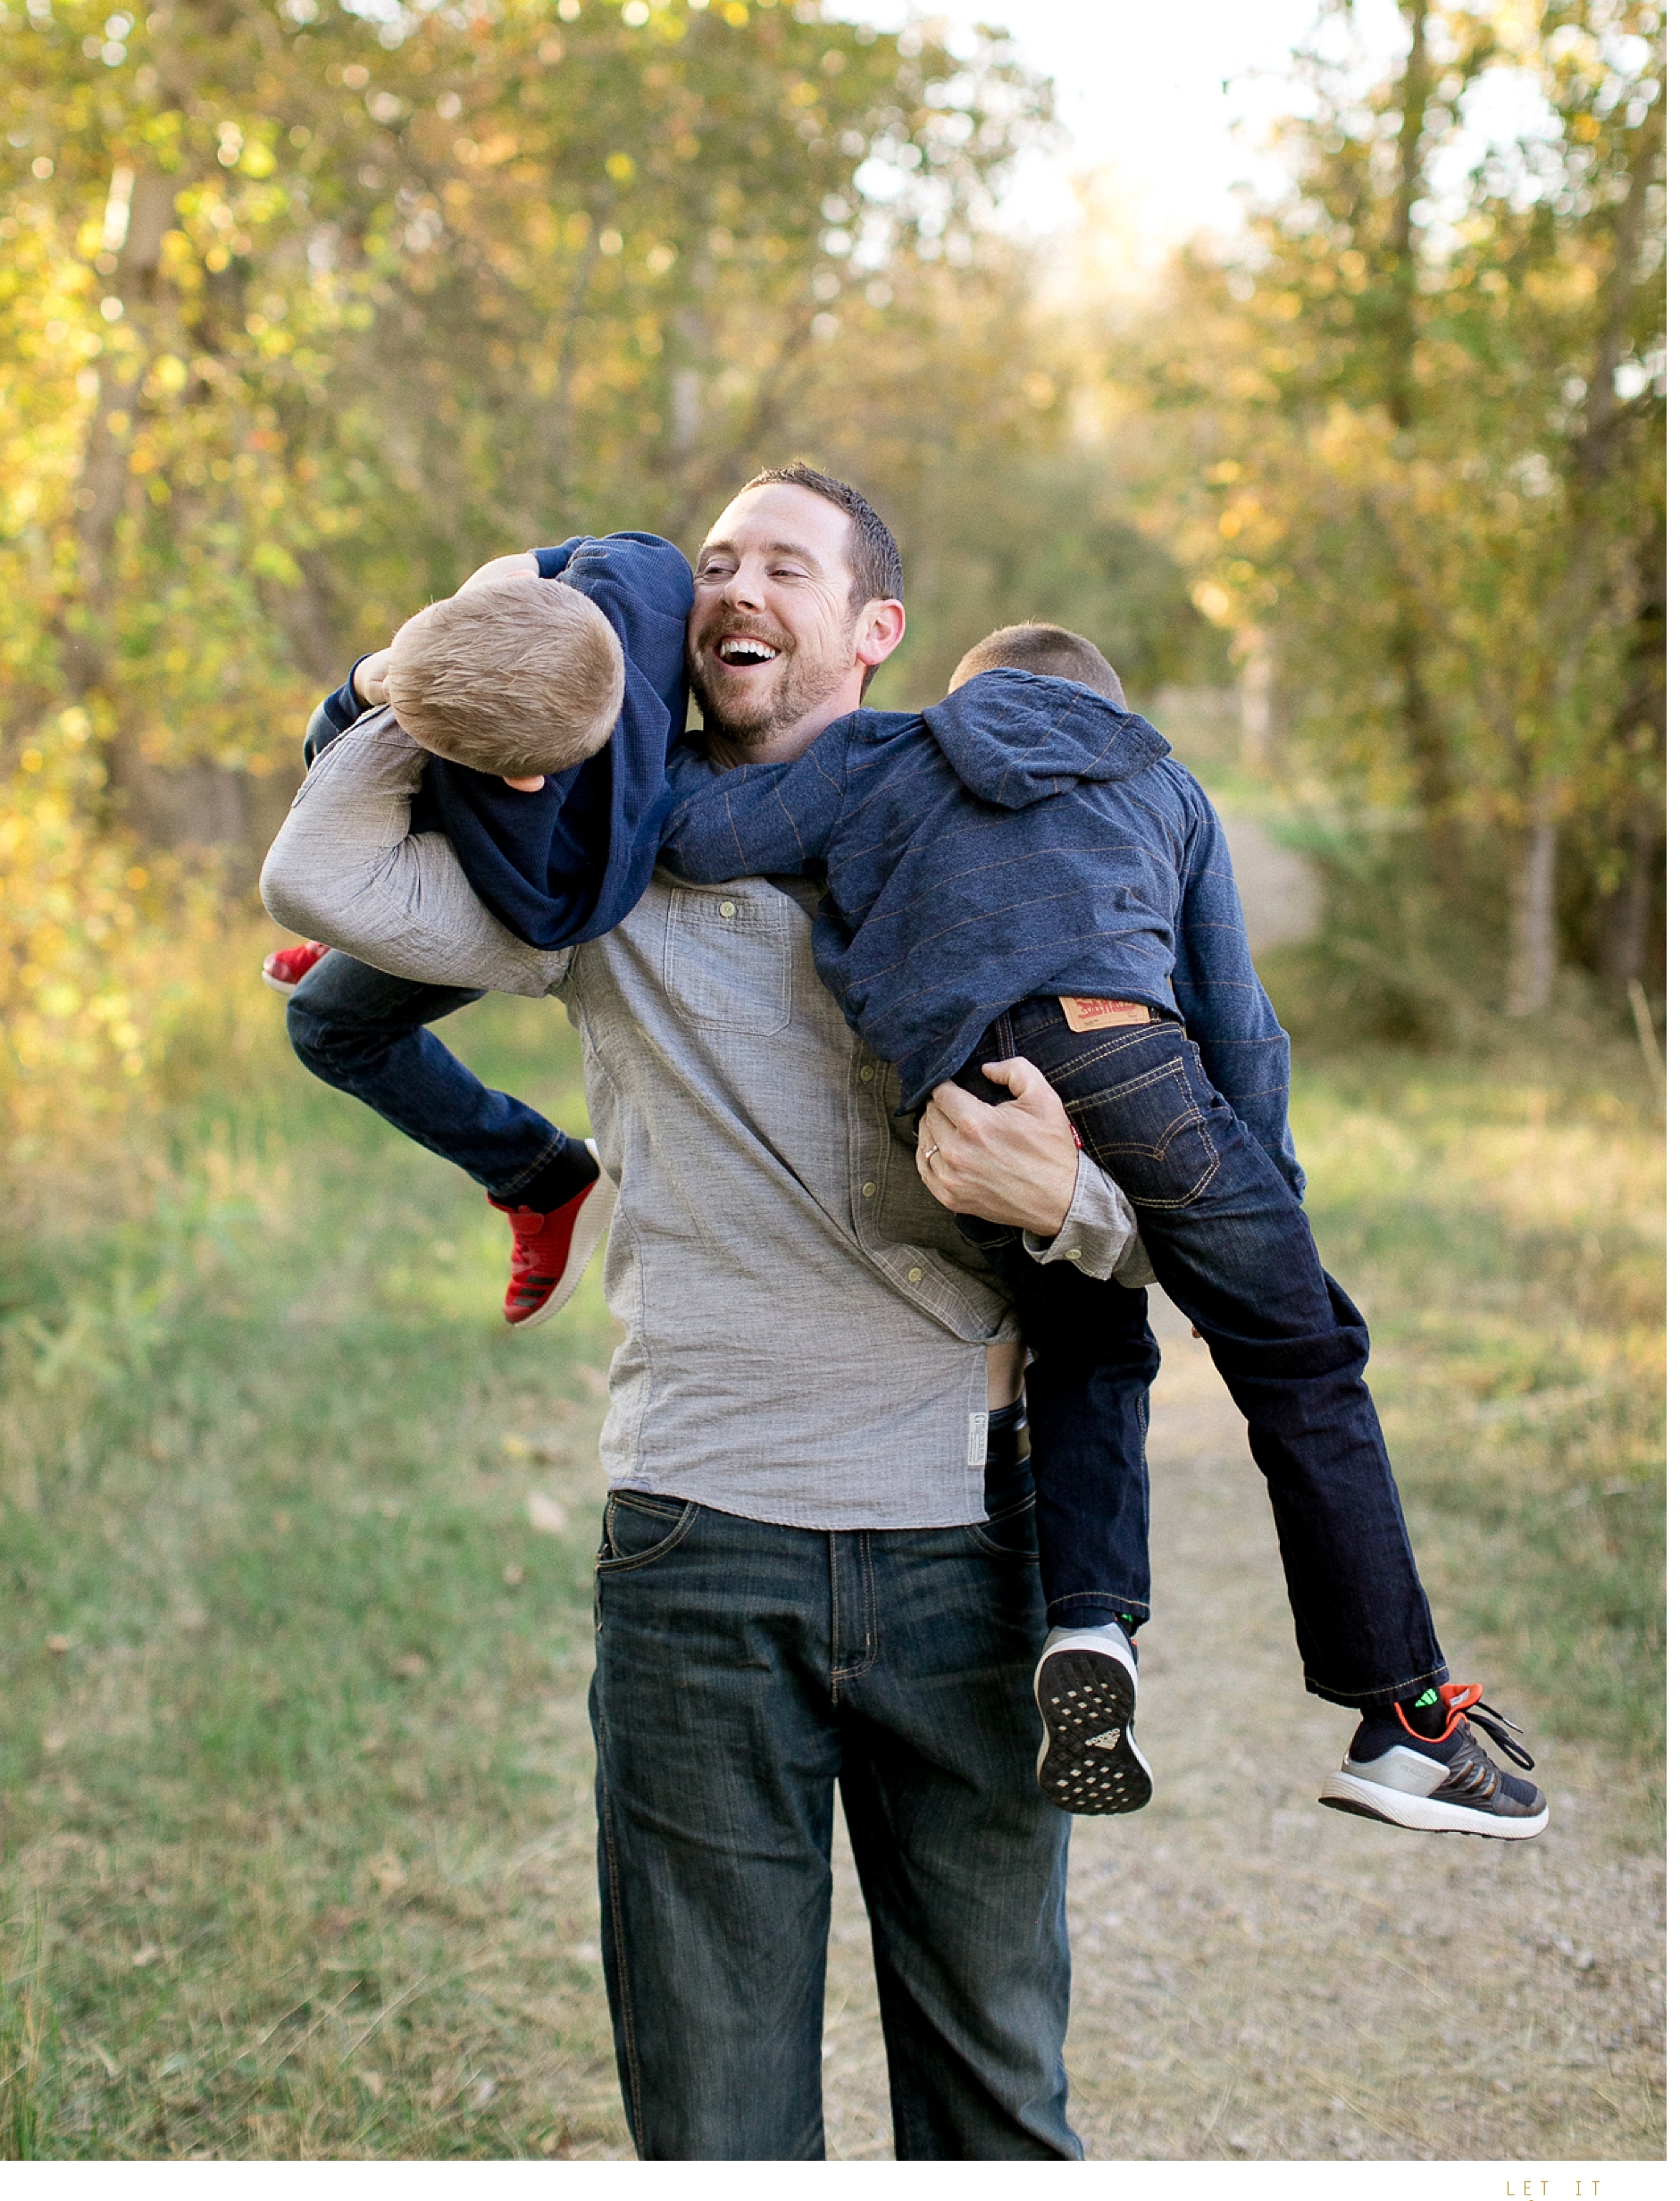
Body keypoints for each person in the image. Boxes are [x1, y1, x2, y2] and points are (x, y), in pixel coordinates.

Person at [261, 464, 1143, 2160]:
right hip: (698, 1541)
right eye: (716, 560)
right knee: (715, 2134)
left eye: (786, 567)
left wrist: (1075, 1200)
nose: (737, 587)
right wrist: (433, 664)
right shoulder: (613, 866)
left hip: (969, 1545)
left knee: (995, 2114)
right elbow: (319, 880)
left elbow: (1211, 1230)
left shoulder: (1011, 868)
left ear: (876, 631)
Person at [661, 619, 1550, 1843]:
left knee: (1084, 1327)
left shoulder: (884, 751)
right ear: (1105, 705)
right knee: (1303, 1359)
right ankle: (1405, 1720)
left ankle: (1088, 1625)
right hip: (1128, 1054)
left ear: (968, 697)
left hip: (965, 1103)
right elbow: (1241, 1028)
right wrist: (1264, 1211)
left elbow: (698, 835)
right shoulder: (1157, 776)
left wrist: (605, 718)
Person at [263, 531, 692, 1327]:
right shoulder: (641, 572)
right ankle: (356, 930)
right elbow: (548, 562)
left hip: (519, 909)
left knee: (325, 1024)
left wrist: (366, 688)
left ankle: (543, 1178)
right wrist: (509, 581)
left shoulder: (506, 836)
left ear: (518, 781)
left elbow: (320, 815)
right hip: (573, 808)